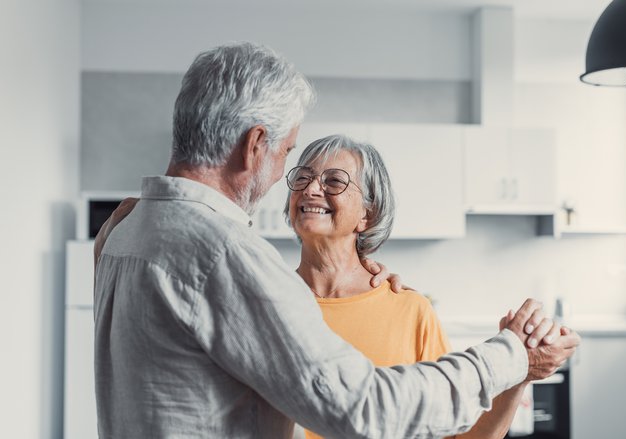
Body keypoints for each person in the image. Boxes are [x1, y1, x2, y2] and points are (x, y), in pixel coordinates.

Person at [93, 41, 580, 438]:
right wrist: (512, 354)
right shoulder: (226, 257)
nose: (297, 182)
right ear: (254, 145)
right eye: (288, 156)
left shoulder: (123, 232)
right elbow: (364, 409)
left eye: (333, 182)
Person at [283, 135, 568, 439]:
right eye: (302, 178)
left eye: (334, 181)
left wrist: (518, 372)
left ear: (367, 214)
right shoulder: (270, 302)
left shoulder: (409, 311)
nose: (311, 190)